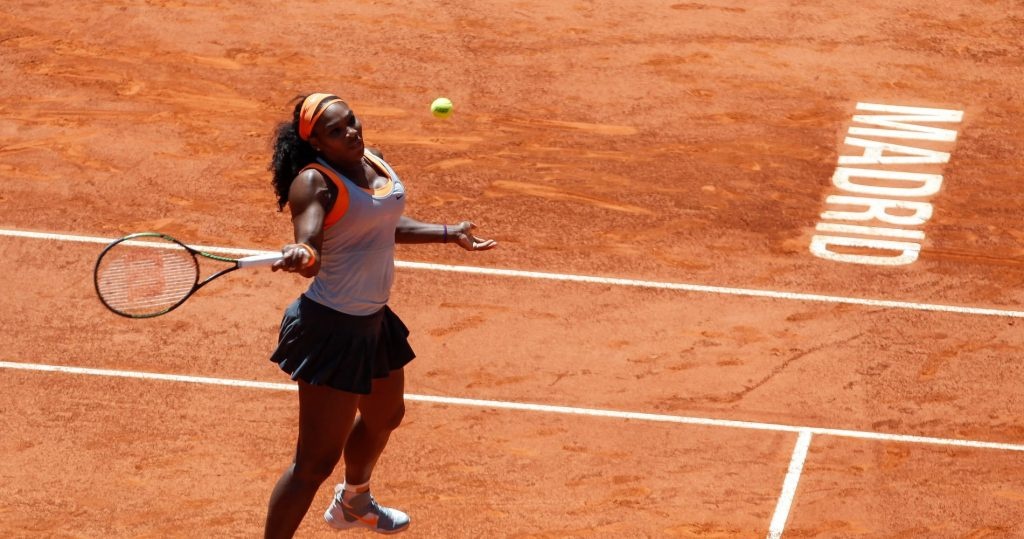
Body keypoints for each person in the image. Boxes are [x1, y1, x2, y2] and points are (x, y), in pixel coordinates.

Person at [263, 93, 497, 538]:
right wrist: (304, 254)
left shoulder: (375, 162)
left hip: (372, 320)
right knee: (313, 463)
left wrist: (449, 234)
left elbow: (381, 226)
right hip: (331, 327)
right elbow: (310, 242)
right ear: (317, 145)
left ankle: (354, 502)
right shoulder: (313, 183)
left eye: (351, 122)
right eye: (336, 131)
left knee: (385, 416)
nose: (351, 132)